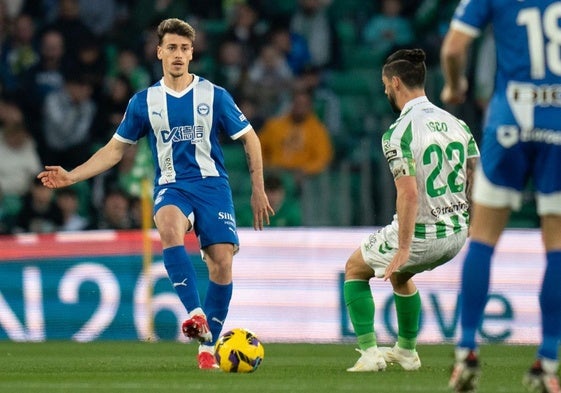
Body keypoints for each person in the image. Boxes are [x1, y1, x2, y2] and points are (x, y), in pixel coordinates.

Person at [37, 18, 273, 370]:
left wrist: (258, 189)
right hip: (172, 186)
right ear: (159, 51)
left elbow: (250, 138)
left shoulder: (215, 96)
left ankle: (206, 348)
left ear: (192, 53)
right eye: (171, 48)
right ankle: (195, 314)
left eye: (184, 48)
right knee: (167, 225)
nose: (178, 54)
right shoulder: (144, 102)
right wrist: (73, 176)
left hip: (212, 187)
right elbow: (114, 150)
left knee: (222, 262)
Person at [440, 1, 561, 392]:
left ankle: (467, 350)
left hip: (510, 119)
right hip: (557, 124)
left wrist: (455, 84)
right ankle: (547, 360)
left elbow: (453, 49)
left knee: (483, 239)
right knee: (557, 246)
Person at [344, 48, 479, 373]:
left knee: (354, 270)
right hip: (456, 233)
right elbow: (474, 172)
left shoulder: (398, 132)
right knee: (402, 277)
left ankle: (369, 354)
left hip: (421, 235)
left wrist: (404, 247)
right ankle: (406, 351)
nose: (385, 91)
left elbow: (408, 193)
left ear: (395, 82)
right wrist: (469, 222)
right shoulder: (457, 123)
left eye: (385, 85)